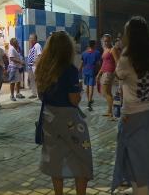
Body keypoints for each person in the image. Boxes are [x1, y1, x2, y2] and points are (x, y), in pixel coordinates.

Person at [112, 16, 149, 195]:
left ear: (131, 35)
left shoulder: (126, 59)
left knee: (136, 168)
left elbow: (118, 78)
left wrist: (117, 53)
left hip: (134, 119)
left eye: (125, 32)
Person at [35, 31, 93, 195]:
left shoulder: (42, 68)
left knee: (55, 159)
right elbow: (74, 100)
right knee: (82, 157)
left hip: (49, 118)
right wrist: (79, 91)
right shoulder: (70, 70)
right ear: (67, 49)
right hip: (69, 119)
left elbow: (41, 96)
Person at [96, 34, 119, 118]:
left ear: (110, 41)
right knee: (108, 93)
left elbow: (117, 62)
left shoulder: (112, 49)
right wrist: (99, 74)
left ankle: (114, 111)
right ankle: (110, 111)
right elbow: (103, 64)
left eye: (108, 41)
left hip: (109, 72)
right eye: (105, 41)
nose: (106, 42)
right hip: (105, 72)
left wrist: (116, 74)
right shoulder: (105, 49)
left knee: (104, 92)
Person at [79, 40, 101, 110]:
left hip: (85, 71)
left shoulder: (84, 53)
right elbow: (98, 64)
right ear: (94, 45)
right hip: (92, 72)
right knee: (91, 87)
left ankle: (89, 100)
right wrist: (99, 72)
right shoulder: (97, 53)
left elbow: (82, 63)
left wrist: (79, 70)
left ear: (88, 45)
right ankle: (89, 102)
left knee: (87, 87)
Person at [28, 33, 42, 99]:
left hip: (35, 66)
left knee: (37, 81)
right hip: (30, 66)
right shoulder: (32, 47)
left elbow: (39, 56)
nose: (30, 40)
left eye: (31, 38)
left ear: (35, 39)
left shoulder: (37, 45)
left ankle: (39, 95)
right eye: (29, 38)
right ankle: (34, 94)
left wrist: (37, 65)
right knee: (32, 81)